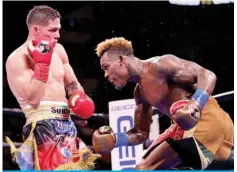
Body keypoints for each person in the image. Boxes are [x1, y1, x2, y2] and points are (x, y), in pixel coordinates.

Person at [92, 37, 234, 170]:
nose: (105, 75)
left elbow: (207, 75)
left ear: (121, 60)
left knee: (144, 168)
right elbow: (141, 133)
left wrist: (195, 105)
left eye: (106, 67)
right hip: (204, 129)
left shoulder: (160, 65)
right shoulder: (139, 93)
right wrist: (116, 140)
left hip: (207, 118)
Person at [5, 5, 100, 170]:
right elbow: (33, 100)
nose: (57, 35)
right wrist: (42, 65)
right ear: (36, 30)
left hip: (67, 123)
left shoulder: (59, 50)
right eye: (52, 30)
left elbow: (72, 83)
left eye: (59, 30)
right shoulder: (17, 59)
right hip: (43, 125)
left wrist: (78, 98)